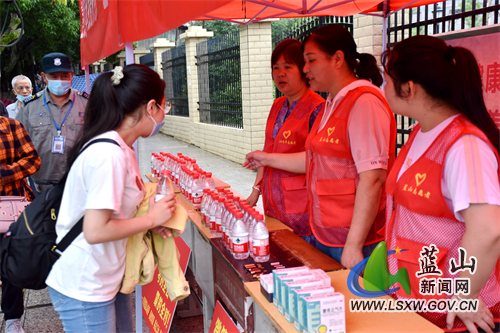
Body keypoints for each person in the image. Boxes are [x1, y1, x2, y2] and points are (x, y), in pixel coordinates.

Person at [245, 25, 396, 269]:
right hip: (326, 232)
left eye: (311, 60)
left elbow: (374, 178)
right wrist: (265, 159)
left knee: (357, 303)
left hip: (354, 239)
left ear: (338, 59)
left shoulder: (364, 102)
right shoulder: (332, 102)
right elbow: (313, 160)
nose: (306, 69)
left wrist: (354, 245)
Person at [45, 65, 177, 333]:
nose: (165, 114)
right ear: (151, 107)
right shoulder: (109, 155)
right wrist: (151, 218)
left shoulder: (122, 147)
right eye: (165, 106)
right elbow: (95, 230)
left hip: (105, 277)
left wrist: (150, 222)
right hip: (85, 284)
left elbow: (117, 214)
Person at [382, 35, 500, 333]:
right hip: (419, 295)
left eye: (386, 80)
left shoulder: (465, 146)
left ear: (408, 88)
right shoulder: (421, 132)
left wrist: (465, 295)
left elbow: (488, 229)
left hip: (455, 317)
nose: (382, 89)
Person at [243, 39, 324, 241]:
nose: (280, 73)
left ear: (304, 70)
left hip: (302, 211)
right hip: (273, 205)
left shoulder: (317, 108)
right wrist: (256, 190)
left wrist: (267, 158)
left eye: (288, 67)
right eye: (275, 68)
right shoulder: (278, 105)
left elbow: (318, 160)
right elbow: (267, 151)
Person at [16, 52, 88, 193]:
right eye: (54, 77)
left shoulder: (87, 104)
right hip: (40, 184)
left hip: (80, 182)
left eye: (64, 76)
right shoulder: (29, 107)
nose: (60, 80)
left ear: (72, 75)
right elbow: (17, 144)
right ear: (44, 77)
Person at [0, 116, 41, 333]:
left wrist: (3, 175)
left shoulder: (11, 126)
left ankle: (12, 318)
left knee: (11, 265)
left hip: (10, 207)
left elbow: (33, 160)